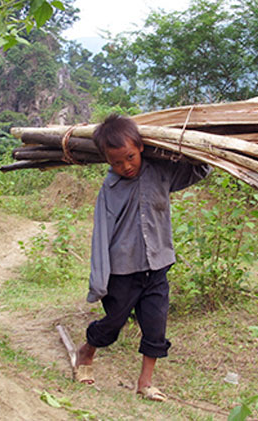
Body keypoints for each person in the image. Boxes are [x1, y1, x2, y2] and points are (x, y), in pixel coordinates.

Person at [74, 114, 211, 401]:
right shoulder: (110, 189)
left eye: (130, 157)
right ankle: (87, 352)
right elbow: (100, 235)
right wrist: (99, 282)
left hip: (158, 264)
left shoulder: (160, 171)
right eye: (117, 163)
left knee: (155, 326)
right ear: (108, 163)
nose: (126, 166)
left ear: (141, 147)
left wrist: (203, 149)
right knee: (113, 323)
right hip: (123, 271)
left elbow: (197, 171)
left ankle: (145, 382)